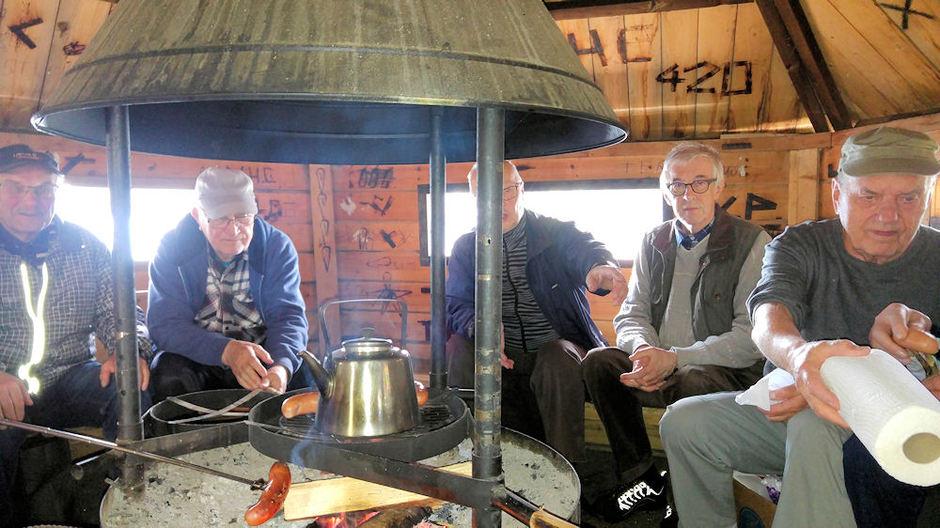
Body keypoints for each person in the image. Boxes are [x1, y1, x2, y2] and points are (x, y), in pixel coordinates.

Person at [659, 126, 940, 527]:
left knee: (815, 423)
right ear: (838, 195)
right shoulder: (799, 245)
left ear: (928, 195)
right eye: (869, 196)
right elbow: (767, 315)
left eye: (908, 197)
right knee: (683, 424)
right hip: (794, 400)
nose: (888, 215)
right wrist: (800, 355)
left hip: (892, 424)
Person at [581, 142, 769, 523]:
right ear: (666, 192)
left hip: (720, 373)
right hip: (661, 363)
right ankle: (642, 478)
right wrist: (644, 352)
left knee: (692, 379)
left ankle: (684, 492)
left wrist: (675, 359)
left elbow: (750, 338)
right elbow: (632, 313)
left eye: (700, 183)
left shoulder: (751, 242)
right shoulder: (654, 241)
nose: (687, 195)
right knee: (598, 363)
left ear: (719, 187)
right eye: (677, 185)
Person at [0, 144, 153, 527]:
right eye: (15, 187)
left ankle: (122, 507)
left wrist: (128, 349)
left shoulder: (85, 246)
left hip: (69, 377)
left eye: (43, 189)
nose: (30, 200)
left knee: (129, 388)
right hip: (5, 387)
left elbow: (121, 312)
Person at [446, 160, 627, 467]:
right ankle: (467, 457)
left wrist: (598, 266)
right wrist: (481, 326)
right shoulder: (466, 247)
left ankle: (567, 469)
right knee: (459, 347)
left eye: (506, 191)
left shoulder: (554, 233)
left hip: (560, 349)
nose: (497, 204)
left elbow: (585, 249)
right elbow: (456, 303)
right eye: (485, 195)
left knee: (556, 356)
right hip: (503, 354)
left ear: (522, 189)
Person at [148, 168, 311, 402]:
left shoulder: (276, 247)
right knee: (168, 373)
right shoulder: (172, 249)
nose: (234, 230)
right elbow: (165, 325)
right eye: (220, 218)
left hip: (261, 357)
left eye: (243, 216)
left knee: (302, 376)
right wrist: (227, 350)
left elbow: (288, 317)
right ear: (197, 216)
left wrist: (280, 367)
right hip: (198, 357)